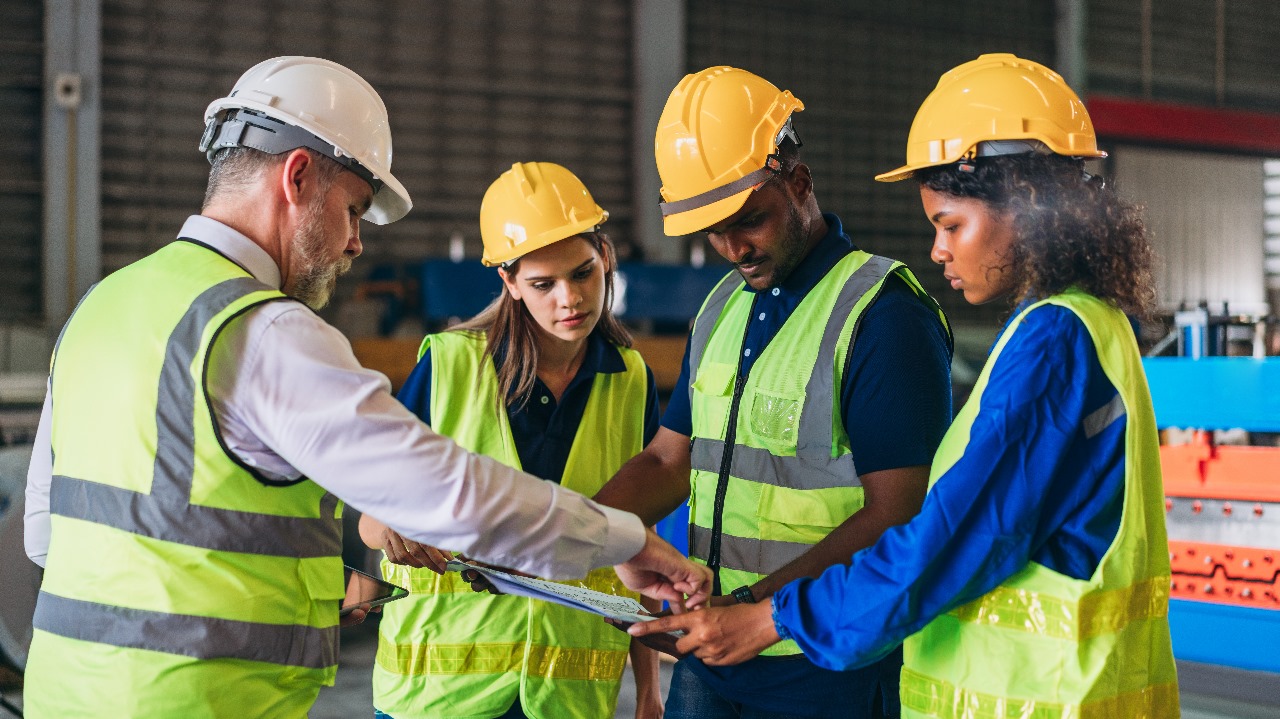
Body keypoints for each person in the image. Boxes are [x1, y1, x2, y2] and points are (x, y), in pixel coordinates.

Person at [21, 56, 709, 719]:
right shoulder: (268, 333)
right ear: (296, 177)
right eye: (353, 210)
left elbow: (50, 536)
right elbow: (455, 498)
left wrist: (310, 586)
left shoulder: (99, 310)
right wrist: (626, 540)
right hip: (200, 700)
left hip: (62, 694)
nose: (355, 243)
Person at [631, 53, 1181, 717]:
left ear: (1029, 204)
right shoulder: (1087, 325)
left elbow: (941, 541)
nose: (939, 250)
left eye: (951, 224)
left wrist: (771, 615)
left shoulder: (1051, 342)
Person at [592, 66, 954, 719]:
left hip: (826, 666)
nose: (734, 247)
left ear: (800, 182)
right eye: (715, 230)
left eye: (749, 219)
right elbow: (669, 461)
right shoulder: (723, 304)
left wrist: (762, 606)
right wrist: (557, 535)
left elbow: (897, 513)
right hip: (714, 656)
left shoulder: (884, 316)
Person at [359, 162, 664, 719]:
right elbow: (369, 516)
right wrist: (391, 528)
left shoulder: (631, 379)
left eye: (584, 273)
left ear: (606, 257)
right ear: (509, 283)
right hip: (437, 696)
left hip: (566, 697)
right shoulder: (449, 366)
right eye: (543, 285)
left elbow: (640, 540)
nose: (569, 300)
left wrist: (649, 689)